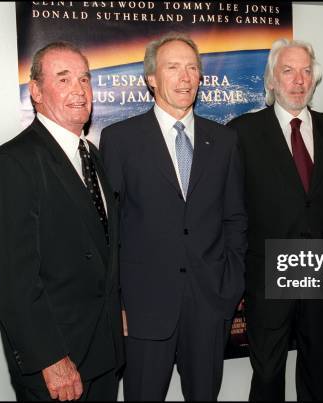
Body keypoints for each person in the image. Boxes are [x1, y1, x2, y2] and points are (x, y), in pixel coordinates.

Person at [99, 32, 246, 401]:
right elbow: (109, 231)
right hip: (145, 309)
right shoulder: (120, 140)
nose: (185, 77)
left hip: (209, 307)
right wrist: (116, 303)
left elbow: (235, 218)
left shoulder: (224, 141)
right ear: (151, 78)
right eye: (173, 67)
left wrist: (230, 287)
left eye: (192, 68)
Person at [0, 41, 123, 401]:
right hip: (58, 364)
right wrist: (50, 359)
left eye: (85, 79)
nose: (79, 89)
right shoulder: (12, 163)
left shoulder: (93, 156)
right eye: (64, 78)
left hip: (103, 354)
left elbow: (102, 249)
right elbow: (12, 279)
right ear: (37, 93)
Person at [227, 38, 323, 401]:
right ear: (270, 80)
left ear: (314, 80)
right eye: (288, 71)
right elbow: (232, 211)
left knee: (322, 377)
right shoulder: (241, 134)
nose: (298, 80)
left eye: (306, 71)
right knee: (267, 377)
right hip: (267, 280)